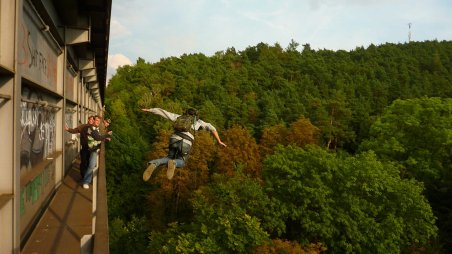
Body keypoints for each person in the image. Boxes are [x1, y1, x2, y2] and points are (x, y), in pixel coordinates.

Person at [141, 107, 226, 180]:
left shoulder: (179, 117)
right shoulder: (199, 122)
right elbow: (212, 128)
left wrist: (149, 110)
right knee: (182, 161)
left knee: (169, 157)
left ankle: (154, 163)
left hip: (174, 139)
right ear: (196, 115)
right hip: (186, 142)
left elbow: (163, 112)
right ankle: (174, 163)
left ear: (186, 113)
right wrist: (219, 141)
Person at [81, 115, 111, 189]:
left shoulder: (97, 128)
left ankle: (86, 180)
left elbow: (99, 136)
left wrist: (106, 139)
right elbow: (97, 137)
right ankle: (86, 181)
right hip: (88, 149)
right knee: (87, 164)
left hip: (94, 149)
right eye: (96, 120)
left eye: (99, 121)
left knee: (92, 165)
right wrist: (107, 135)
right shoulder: (90, 128)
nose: (98, 122)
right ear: (93, 120)